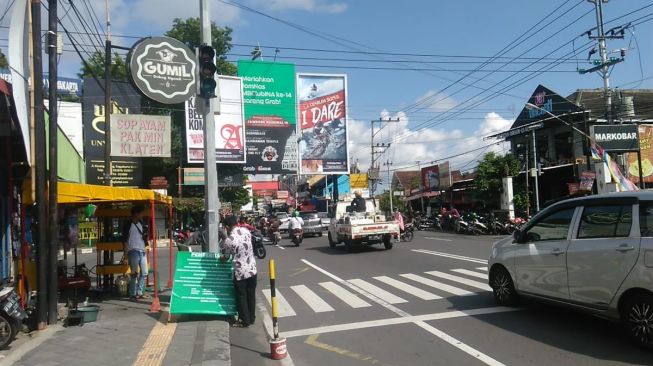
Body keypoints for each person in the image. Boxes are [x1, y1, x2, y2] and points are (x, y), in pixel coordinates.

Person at [220, 215, 257, 328]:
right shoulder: (246, 231)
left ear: (226, 226)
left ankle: (245, 321)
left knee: (241, 296)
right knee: (251, 295)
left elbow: (226, 257)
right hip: (252, 269)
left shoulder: (229, 240)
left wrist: (221, 258)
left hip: (240, 273)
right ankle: (251, 318)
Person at [122, 205, 150, 301]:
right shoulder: (128, 225)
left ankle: (140, 292)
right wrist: (125, 257)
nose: (143, 215)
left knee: (144, 272)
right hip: (133, 251)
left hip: (142, 251)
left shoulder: (141, 223)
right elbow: (125, 242)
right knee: (134, 273)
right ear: (136, 214)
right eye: (141, 213)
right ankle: (132, 294)